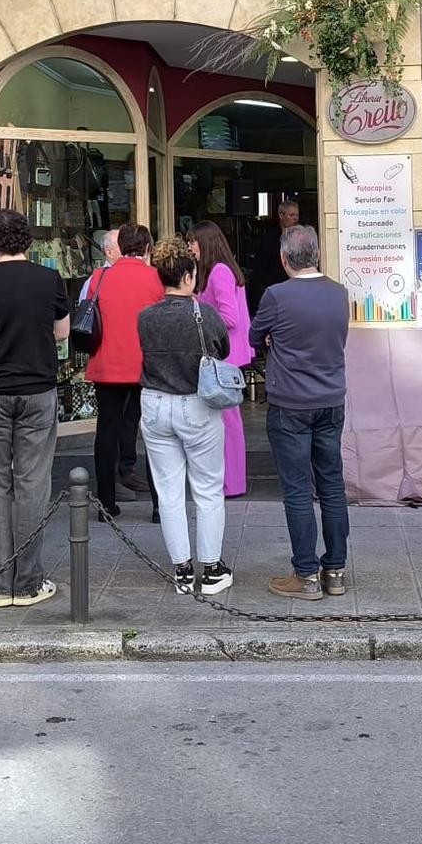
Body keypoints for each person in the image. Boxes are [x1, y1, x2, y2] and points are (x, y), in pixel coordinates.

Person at [0, 208, 69, 608]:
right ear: (28, 242)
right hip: (38, 388)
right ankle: (29, 581)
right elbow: (61, 332)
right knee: (32, 484)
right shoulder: (50, 279)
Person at [251, 224, 351, 600]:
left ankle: (306, 574)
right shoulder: (339, 293)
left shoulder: (276, 295)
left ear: (283, 258)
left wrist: (274, 339)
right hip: (331, 399)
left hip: (290, 403)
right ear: (318, 256)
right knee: (332, 485)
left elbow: (252, 337)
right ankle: (336, 570)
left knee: (297, 490)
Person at [136, 235, 236, 595]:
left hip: (155, 403)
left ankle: (181, 570)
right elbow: (222, 348)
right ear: (190, 275)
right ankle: (210, 568)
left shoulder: (145, 317)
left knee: (169, 492)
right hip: (196, 403)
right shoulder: (204, 314)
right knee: (208, 489)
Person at [86, 223, 165, 518]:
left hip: (107, 364)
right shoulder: (156, 278)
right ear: (147, 248)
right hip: (147, 365)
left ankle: (106, 503)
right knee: (154, 435)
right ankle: (159, 506)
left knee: (106, 432)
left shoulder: (100, 277)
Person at [190, 220, 254, 498]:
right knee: (227, 421)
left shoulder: (218, 273)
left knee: (229, 422)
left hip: (225, 358)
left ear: (205, 243)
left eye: (192, 242)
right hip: (227, 356)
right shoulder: (220, 271)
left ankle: (233, 482)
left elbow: (229, 317)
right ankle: (229, 480)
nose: (190, 247)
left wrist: (198, 312)